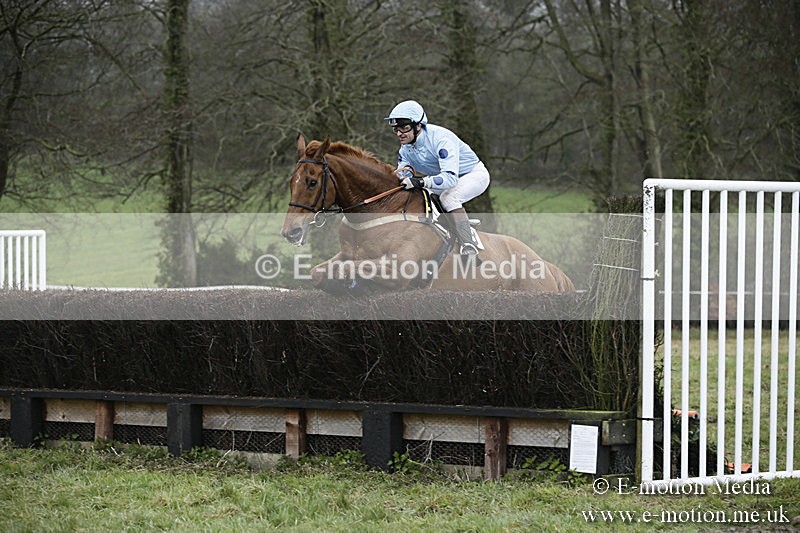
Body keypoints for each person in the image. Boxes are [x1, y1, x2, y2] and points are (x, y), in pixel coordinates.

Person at [384, 100, 490, 257]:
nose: (399, 133)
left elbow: (450, 179)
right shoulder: (405, 149)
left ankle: (468, 243)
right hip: (445, 178)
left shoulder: (441, 139)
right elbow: (403, 176)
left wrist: (421, 181)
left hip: (472, 175)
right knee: (418, 195)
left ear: (418, 126)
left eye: (404, 128)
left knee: (449, 198)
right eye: (396, 129)